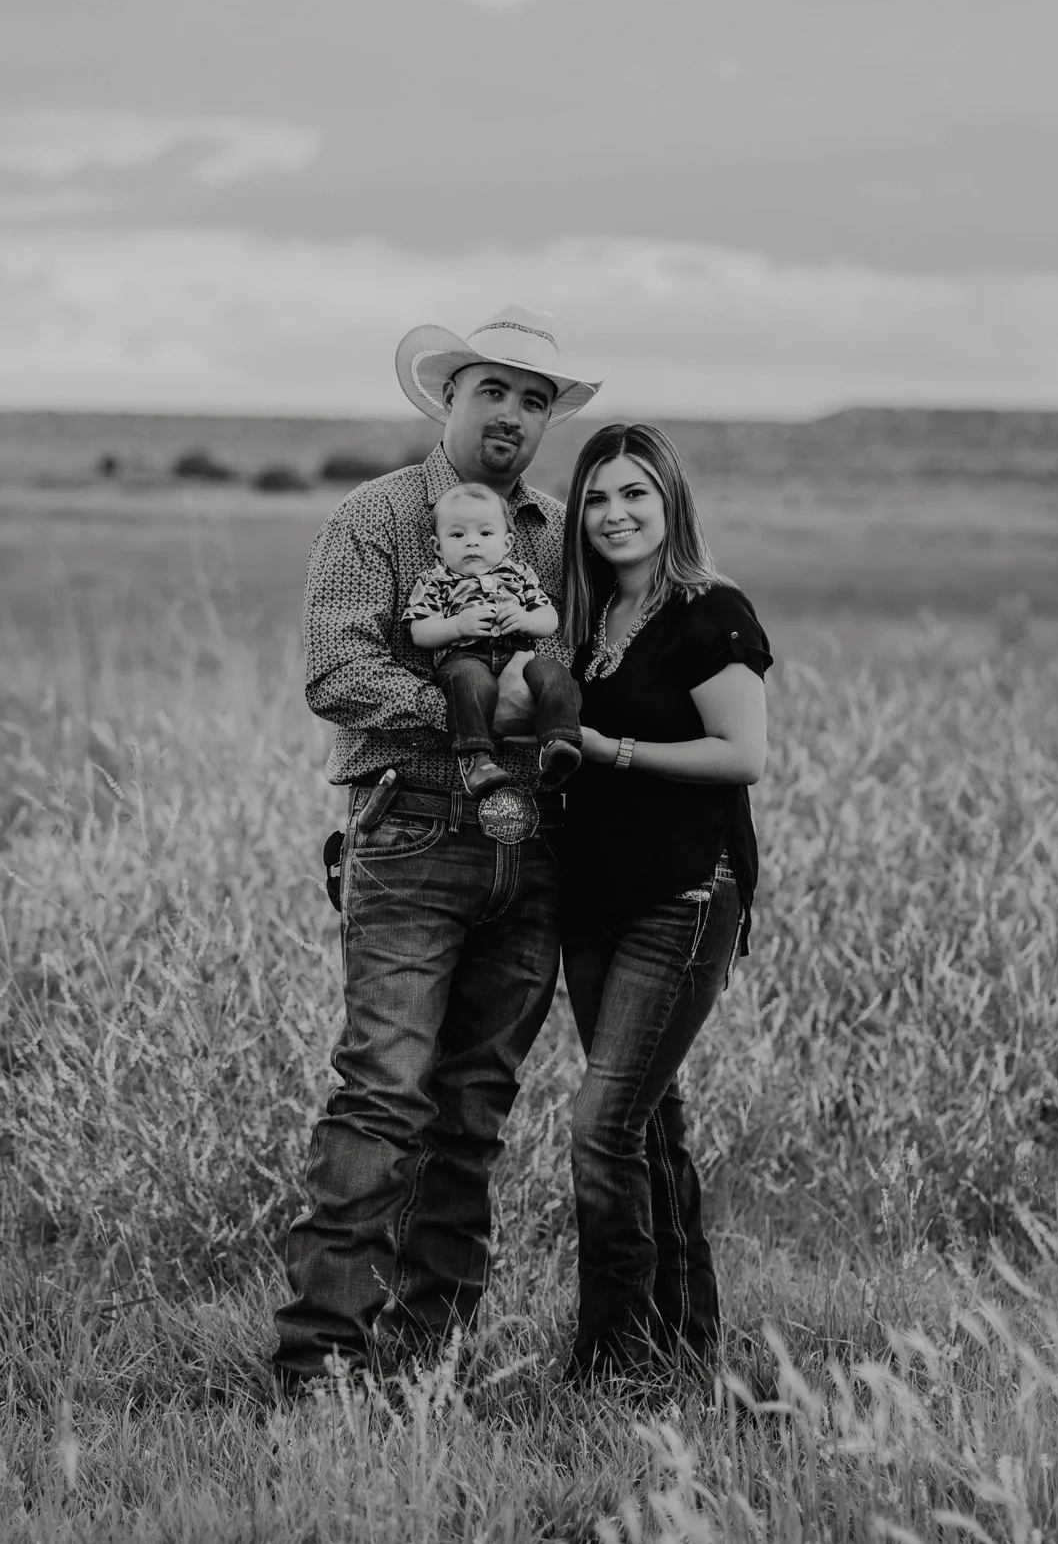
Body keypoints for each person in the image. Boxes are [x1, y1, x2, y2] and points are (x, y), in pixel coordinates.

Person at [273, 306, 602, 1393]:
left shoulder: (560, 532)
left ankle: (428, 1360)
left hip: (538, 845)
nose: (511, 413)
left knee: (472, 1110)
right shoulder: (377, 516)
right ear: (448, 399)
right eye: (492, 390)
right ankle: (317, 1358)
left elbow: (593, 666)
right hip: (411, 824)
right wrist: (471, 717)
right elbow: (334, 671)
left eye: (534, 398)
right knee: (384, 1093)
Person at [555, 422, 771, 1383]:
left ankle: (612, 1358)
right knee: (650, 1122)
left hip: (682, 895)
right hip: (593, 902)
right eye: (597, 498)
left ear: (670, 501)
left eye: (634, 494)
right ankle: (689, 1339)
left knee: (603, 1128)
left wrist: (616, 753)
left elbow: (743, 755)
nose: (614, 514)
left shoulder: (708, 612)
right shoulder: (588, 622)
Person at [401, 482, 585, 798]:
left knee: (553, 673)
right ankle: (475, 757)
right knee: (472, 682)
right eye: (457, 535)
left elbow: (548, 618)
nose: (472, 543)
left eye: (485, 534)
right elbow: (420, 631)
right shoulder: (436, 581)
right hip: (465, 657)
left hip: (520, 653)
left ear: (507, 542)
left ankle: (558, 742)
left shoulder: (519, 575)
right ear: (437, 546)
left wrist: (526, 620)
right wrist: (457, 625)